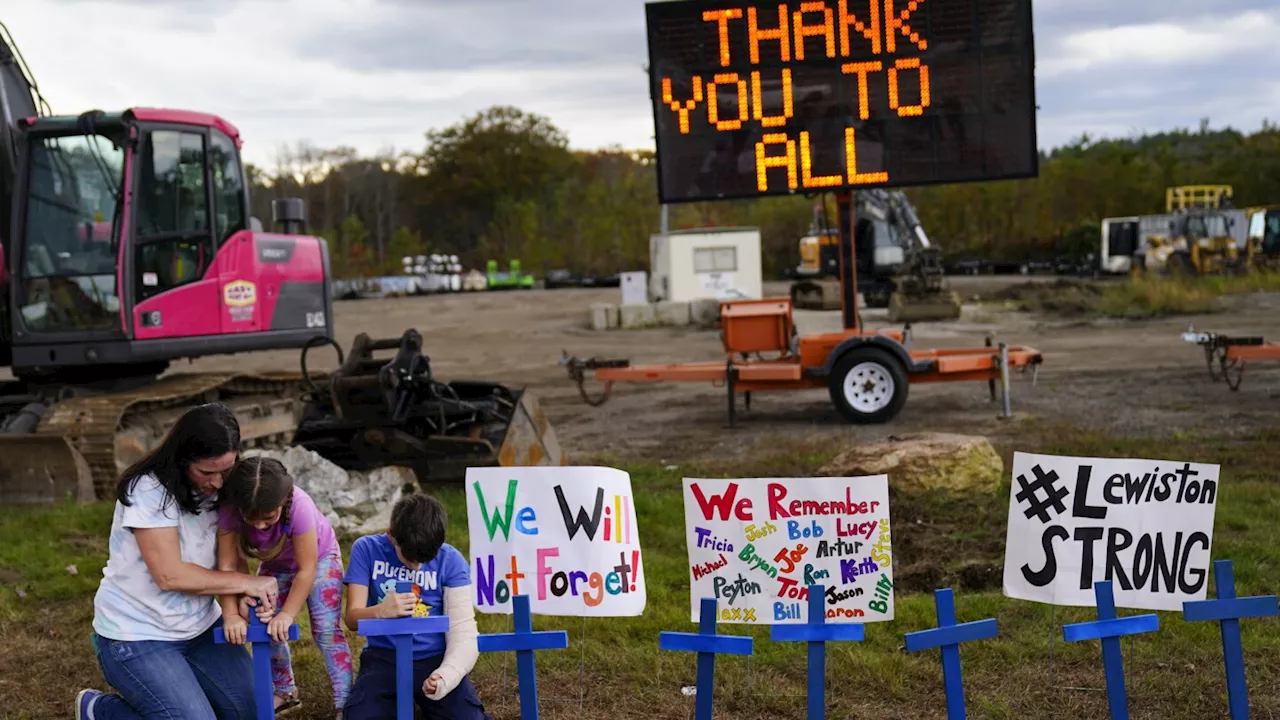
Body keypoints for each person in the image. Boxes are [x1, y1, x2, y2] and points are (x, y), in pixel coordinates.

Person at [76, 403, 280, 720]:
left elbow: (231, 559)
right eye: (206, 473)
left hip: (200, 627)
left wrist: (240, 600)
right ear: (183, 459)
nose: (218, 483)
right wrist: (246, 582)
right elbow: (169, 576)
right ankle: (101, 710)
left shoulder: (227, 488)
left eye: (226, 471)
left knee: (253, 712)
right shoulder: (147, 489)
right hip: (137, 633)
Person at [217, 456, 353, 718]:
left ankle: (346, 702)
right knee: (264, 623)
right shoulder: (230, 508)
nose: (259, 525)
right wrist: (232, 614)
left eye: (268, 517)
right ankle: (286, 691)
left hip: (319, 559)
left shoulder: (299, 504)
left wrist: (287, 614)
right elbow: (228, 566)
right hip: (274, 566)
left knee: (326, 630)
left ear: (283, 501)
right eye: (251, 519)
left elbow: (307, 569)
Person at [341, 493, 492, 720]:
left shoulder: (451, 560)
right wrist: (381, 611)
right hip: (384, 658)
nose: (417, 566)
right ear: (392, 536)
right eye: (409, 558)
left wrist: (445, 675)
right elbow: (352, 619)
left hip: (434, 659)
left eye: (425, 559)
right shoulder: (367, 549)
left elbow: (463, 632)